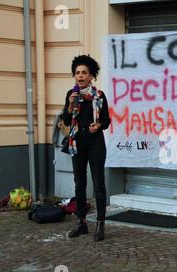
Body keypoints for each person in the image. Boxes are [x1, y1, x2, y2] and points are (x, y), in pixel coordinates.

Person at [62, 55, 111, 242]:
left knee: (98, 183)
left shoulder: (99, 96)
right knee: (79, 183)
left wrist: (98, 126)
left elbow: (106, 120)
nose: (80, 76)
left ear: (91, 76)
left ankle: (100, 224)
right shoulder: (71, 95)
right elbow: (66, 121)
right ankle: (81, 223)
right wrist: (69, 107)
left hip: (95, 142)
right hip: (77, 141)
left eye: (84, 73)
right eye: (77, 73)